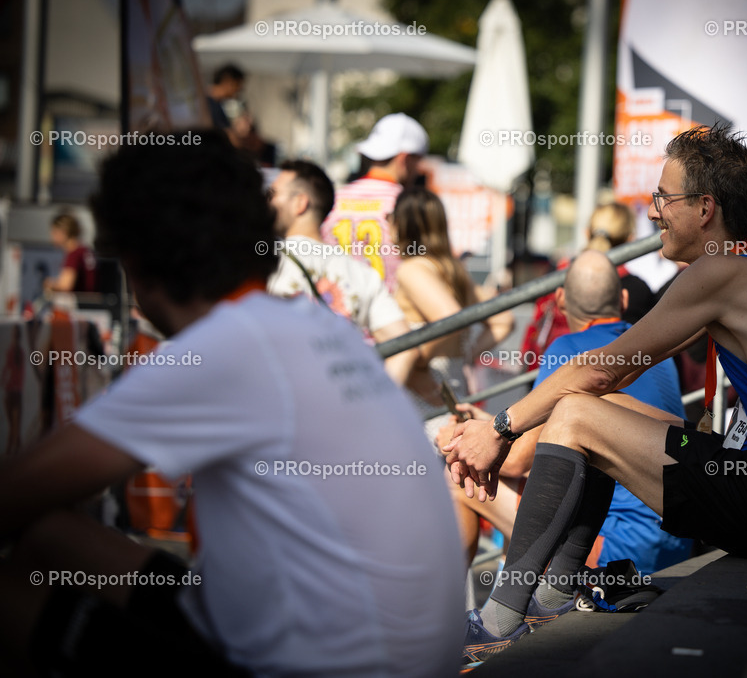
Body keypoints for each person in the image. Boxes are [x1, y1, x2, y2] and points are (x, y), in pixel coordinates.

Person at [0, 130, 463, 677]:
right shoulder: (313, 324)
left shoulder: (221, 349)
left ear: (138, 258)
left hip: (325, 666)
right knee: (51, 538)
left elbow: (18, 492)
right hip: (406, 654)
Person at [445, 124, 747, 663]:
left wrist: (499, 428)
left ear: (705, 208)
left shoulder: (722, 274)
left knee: (576, 412)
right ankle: (552, 599)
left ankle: (498, 622)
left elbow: (600, 370)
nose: (652, 212)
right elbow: (614, 381)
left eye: (663, 197)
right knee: (592, 411)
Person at [439, 250, 691, 574]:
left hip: (617, 547)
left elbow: (517, 461)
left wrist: (459, 441)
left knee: (459, 478)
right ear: (623, 300)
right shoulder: (654, 351)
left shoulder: (567, 350)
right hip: (678, 537)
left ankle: (442, 601)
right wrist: (485, 424)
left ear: (559, 300)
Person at [266, 158, 418, 386]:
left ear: (300, 203)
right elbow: (405, 346)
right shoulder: (361, 274)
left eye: (272, 194)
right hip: (340, 397)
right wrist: (376, 399)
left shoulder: (263, 262)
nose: (265, 202)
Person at [391, 187, 514, 444]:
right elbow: (504, 320)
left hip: (424, 391)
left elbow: (449, 316)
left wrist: (418, 359)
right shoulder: (453, 270)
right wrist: (468, 351)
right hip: (455, 387)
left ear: (402, 223)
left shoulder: (412, 269)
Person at [520, 202, 656, 370]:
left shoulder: (557, 275)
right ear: (631, 239)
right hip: (606, 376)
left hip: (548, 368)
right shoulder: (637, 290)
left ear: (586, 232)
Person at [321, 113, 427, 292]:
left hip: (337, 304)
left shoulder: (334, 198)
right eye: (418, 162)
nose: (418, 171)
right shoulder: (409, 203)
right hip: (391, 304)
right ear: (405, 159)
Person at [43, 213, 97, 293]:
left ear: (64, 232)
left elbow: (66, 286)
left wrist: (50, 285)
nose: (51, 237)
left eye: (54, 232)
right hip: (92, 299)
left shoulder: (74, 254)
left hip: (81, 300)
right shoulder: (85, 250)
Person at [2, 325, 24, 454]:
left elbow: (7, 370)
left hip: (13, 391)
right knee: (14, 429)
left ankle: (12, 455)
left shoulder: (16, 352)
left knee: (14, 429)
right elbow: (6, 369)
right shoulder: (14, 351)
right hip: (13, 391)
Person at [206, 64, 245, 131]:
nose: (239, 89)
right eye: (238, 84)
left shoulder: (217, 105)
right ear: (228, 81)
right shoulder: (204, 103)